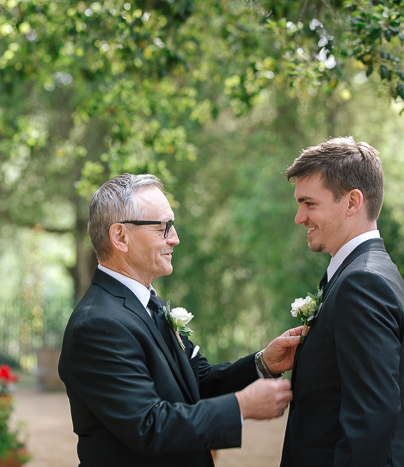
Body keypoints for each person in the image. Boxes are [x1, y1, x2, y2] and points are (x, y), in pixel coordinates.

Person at [58, 173, 302, 467]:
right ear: (120, 237)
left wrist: (263, 364)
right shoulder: (96, 326)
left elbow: (195, 384)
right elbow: (148, 426)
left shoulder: (151, 305)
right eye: (163, 227)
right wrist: (241, 406)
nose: (174, 238)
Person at [281, 137, 404, 466]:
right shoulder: (363, 272)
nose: (299, 217)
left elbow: (370, 421)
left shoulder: (363, 283)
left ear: (352, 202)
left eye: (309, 204)